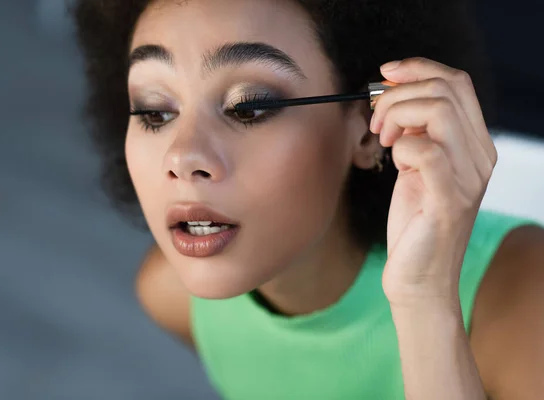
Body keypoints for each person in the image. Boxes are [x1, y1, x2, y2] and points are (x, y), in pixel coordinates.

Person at [72, 0, 544, 398]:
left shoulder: (525, 301)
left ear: (367, 128)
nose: (182, 156)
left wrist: (425, 299)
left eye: (250, 106)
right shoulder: (169, 296)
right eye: (155, 112)